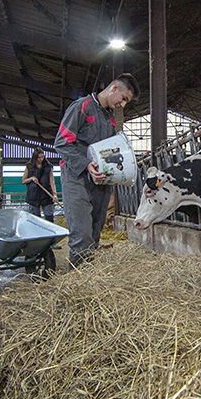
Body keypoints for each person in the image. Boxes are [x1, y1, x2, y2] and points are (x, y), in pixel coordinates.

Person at [54, 74, 138, 266]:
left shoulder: (111, 119)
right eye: (124, 98)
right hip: (76, 177)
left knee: (95, 230)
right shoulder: (82, 107)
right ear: (114, 88)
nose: (123, 105)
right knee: (82, 233)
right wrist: (86, 164)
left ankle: (89, 274)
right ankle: (78, 277)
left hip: (100, 179)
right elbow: (61, 143)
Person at [22, 148, 57, 222]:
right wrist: (31, 178)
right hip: (33, 196)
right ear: (35, 157)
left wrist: (54, 194)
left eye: (42, 157)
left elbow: (52, 181)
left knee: (49, 218)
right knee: (35, 219)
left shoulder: (48, 167)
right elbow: (24, 181)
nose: (41, 159)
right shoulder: (29, 166)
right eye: (39, 157)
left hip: (46, 195)